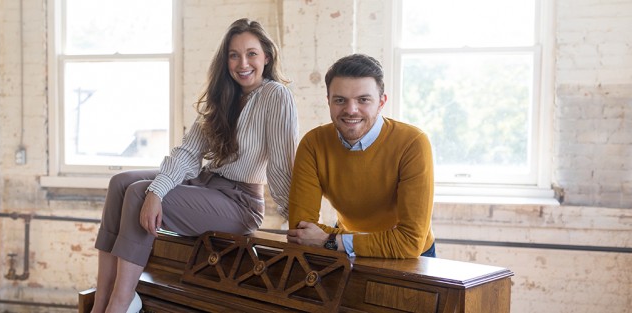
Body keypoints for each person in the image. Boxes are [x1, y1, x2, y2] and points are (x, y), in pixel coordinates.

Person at [91, 18, 298, 313]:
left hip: (240, 204)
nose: (243, 63)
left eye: (251, 53)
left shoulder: (276, 96)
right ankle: (101, 301)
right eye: (234, 54)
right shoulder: (223, 96)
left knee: (138, 193)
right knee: (121, 183)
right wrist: (158, 190)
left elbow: (281, 166)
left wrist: (298, 222)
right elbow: (188, 153)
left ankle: (121, 303)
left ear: (267, 56)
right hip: (205, 185)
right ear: (225, 60)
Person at [286, 54, 435, 259]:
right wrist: (347, 242)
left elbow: (409, 243)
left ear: (382, 102)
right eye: (340, 100)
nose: (351, 110)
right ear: (328, 101)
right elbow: (299, 230)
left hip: (411, 258)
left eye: (363, 100)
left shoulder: (413, 143)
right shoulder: (313, 144)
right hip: (346, 252)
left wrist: (329, 240)